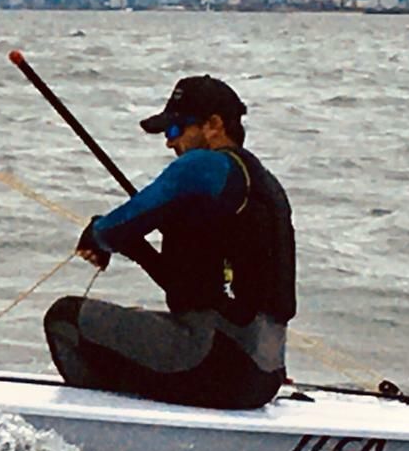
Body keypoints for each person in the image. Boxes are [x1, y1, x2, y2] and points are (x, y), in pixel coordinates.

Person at [43, 75, 295, 409]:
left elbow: (113, 228)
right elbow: (192, 289)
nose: (169, 143)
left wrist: (98, 235)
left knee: (63, 318)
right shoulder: (266, 186)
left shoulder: (205, 166)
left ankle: (103, 425)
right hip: (263, 378)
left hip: (214, 363)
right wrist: (136, 247)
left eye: (175, 131)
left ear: (213, 125)